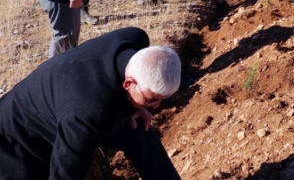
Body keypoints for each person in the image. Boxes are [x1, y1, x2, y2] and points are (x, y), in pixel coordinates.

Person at [0, 27, 182, 180]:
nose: (156, 106)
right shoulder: (88, 114)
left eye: (162, 98)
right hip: (15, 141)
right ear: (129, 84)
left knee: (140, 132)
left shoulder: (134, 40)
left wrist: (135, 105)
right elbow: (66, 173)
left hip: (63, 102)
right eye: (151, 99)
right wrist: (131, 106)